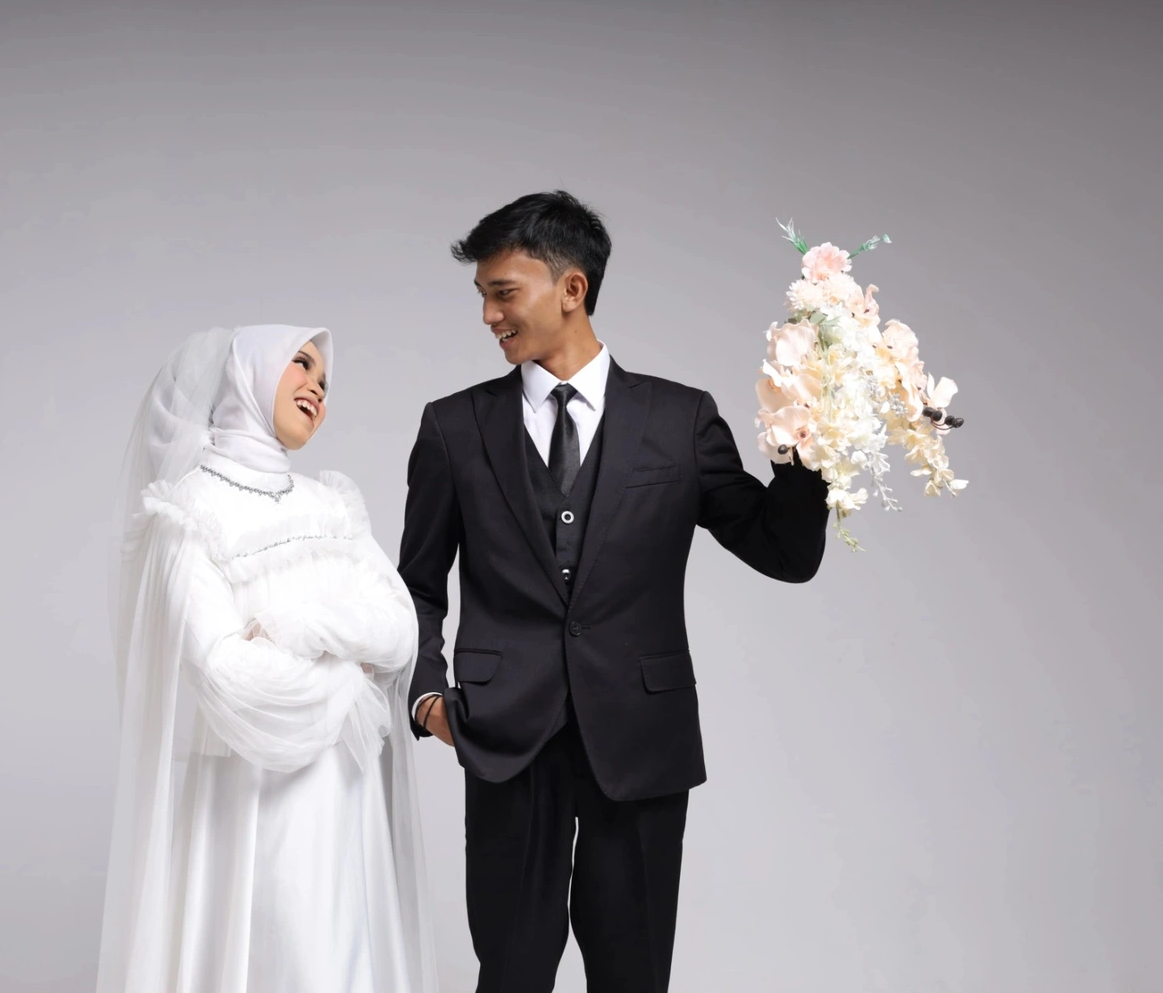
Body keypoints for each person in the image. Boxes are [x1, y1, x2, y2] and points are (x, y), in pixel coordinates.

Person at [399, 192, 830, 992]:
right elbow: (418, 584)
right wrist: (427, 698)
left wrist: (807, 446)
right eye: (483, 297)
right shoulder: (453, 428)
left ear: (573, 288)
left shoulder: (680, 421)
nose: (489, 316)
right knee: (512, 971)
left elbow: (784, 553)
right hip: (503, 734)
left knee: (633, 974)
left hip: (641, 736)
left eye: (503, 293)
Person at [96, 325, 436, 993]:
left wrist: (293, 628)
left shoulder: (330, 505)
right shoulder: (187, 512)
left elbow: (398, 631)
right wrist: (351, 668)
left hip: (347, 799)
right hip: (252, 801)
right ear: (246, 373)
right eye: (300, 364)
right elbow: (227, 674)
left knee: (345, 960)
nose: (317, 387)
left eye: (326, 380)